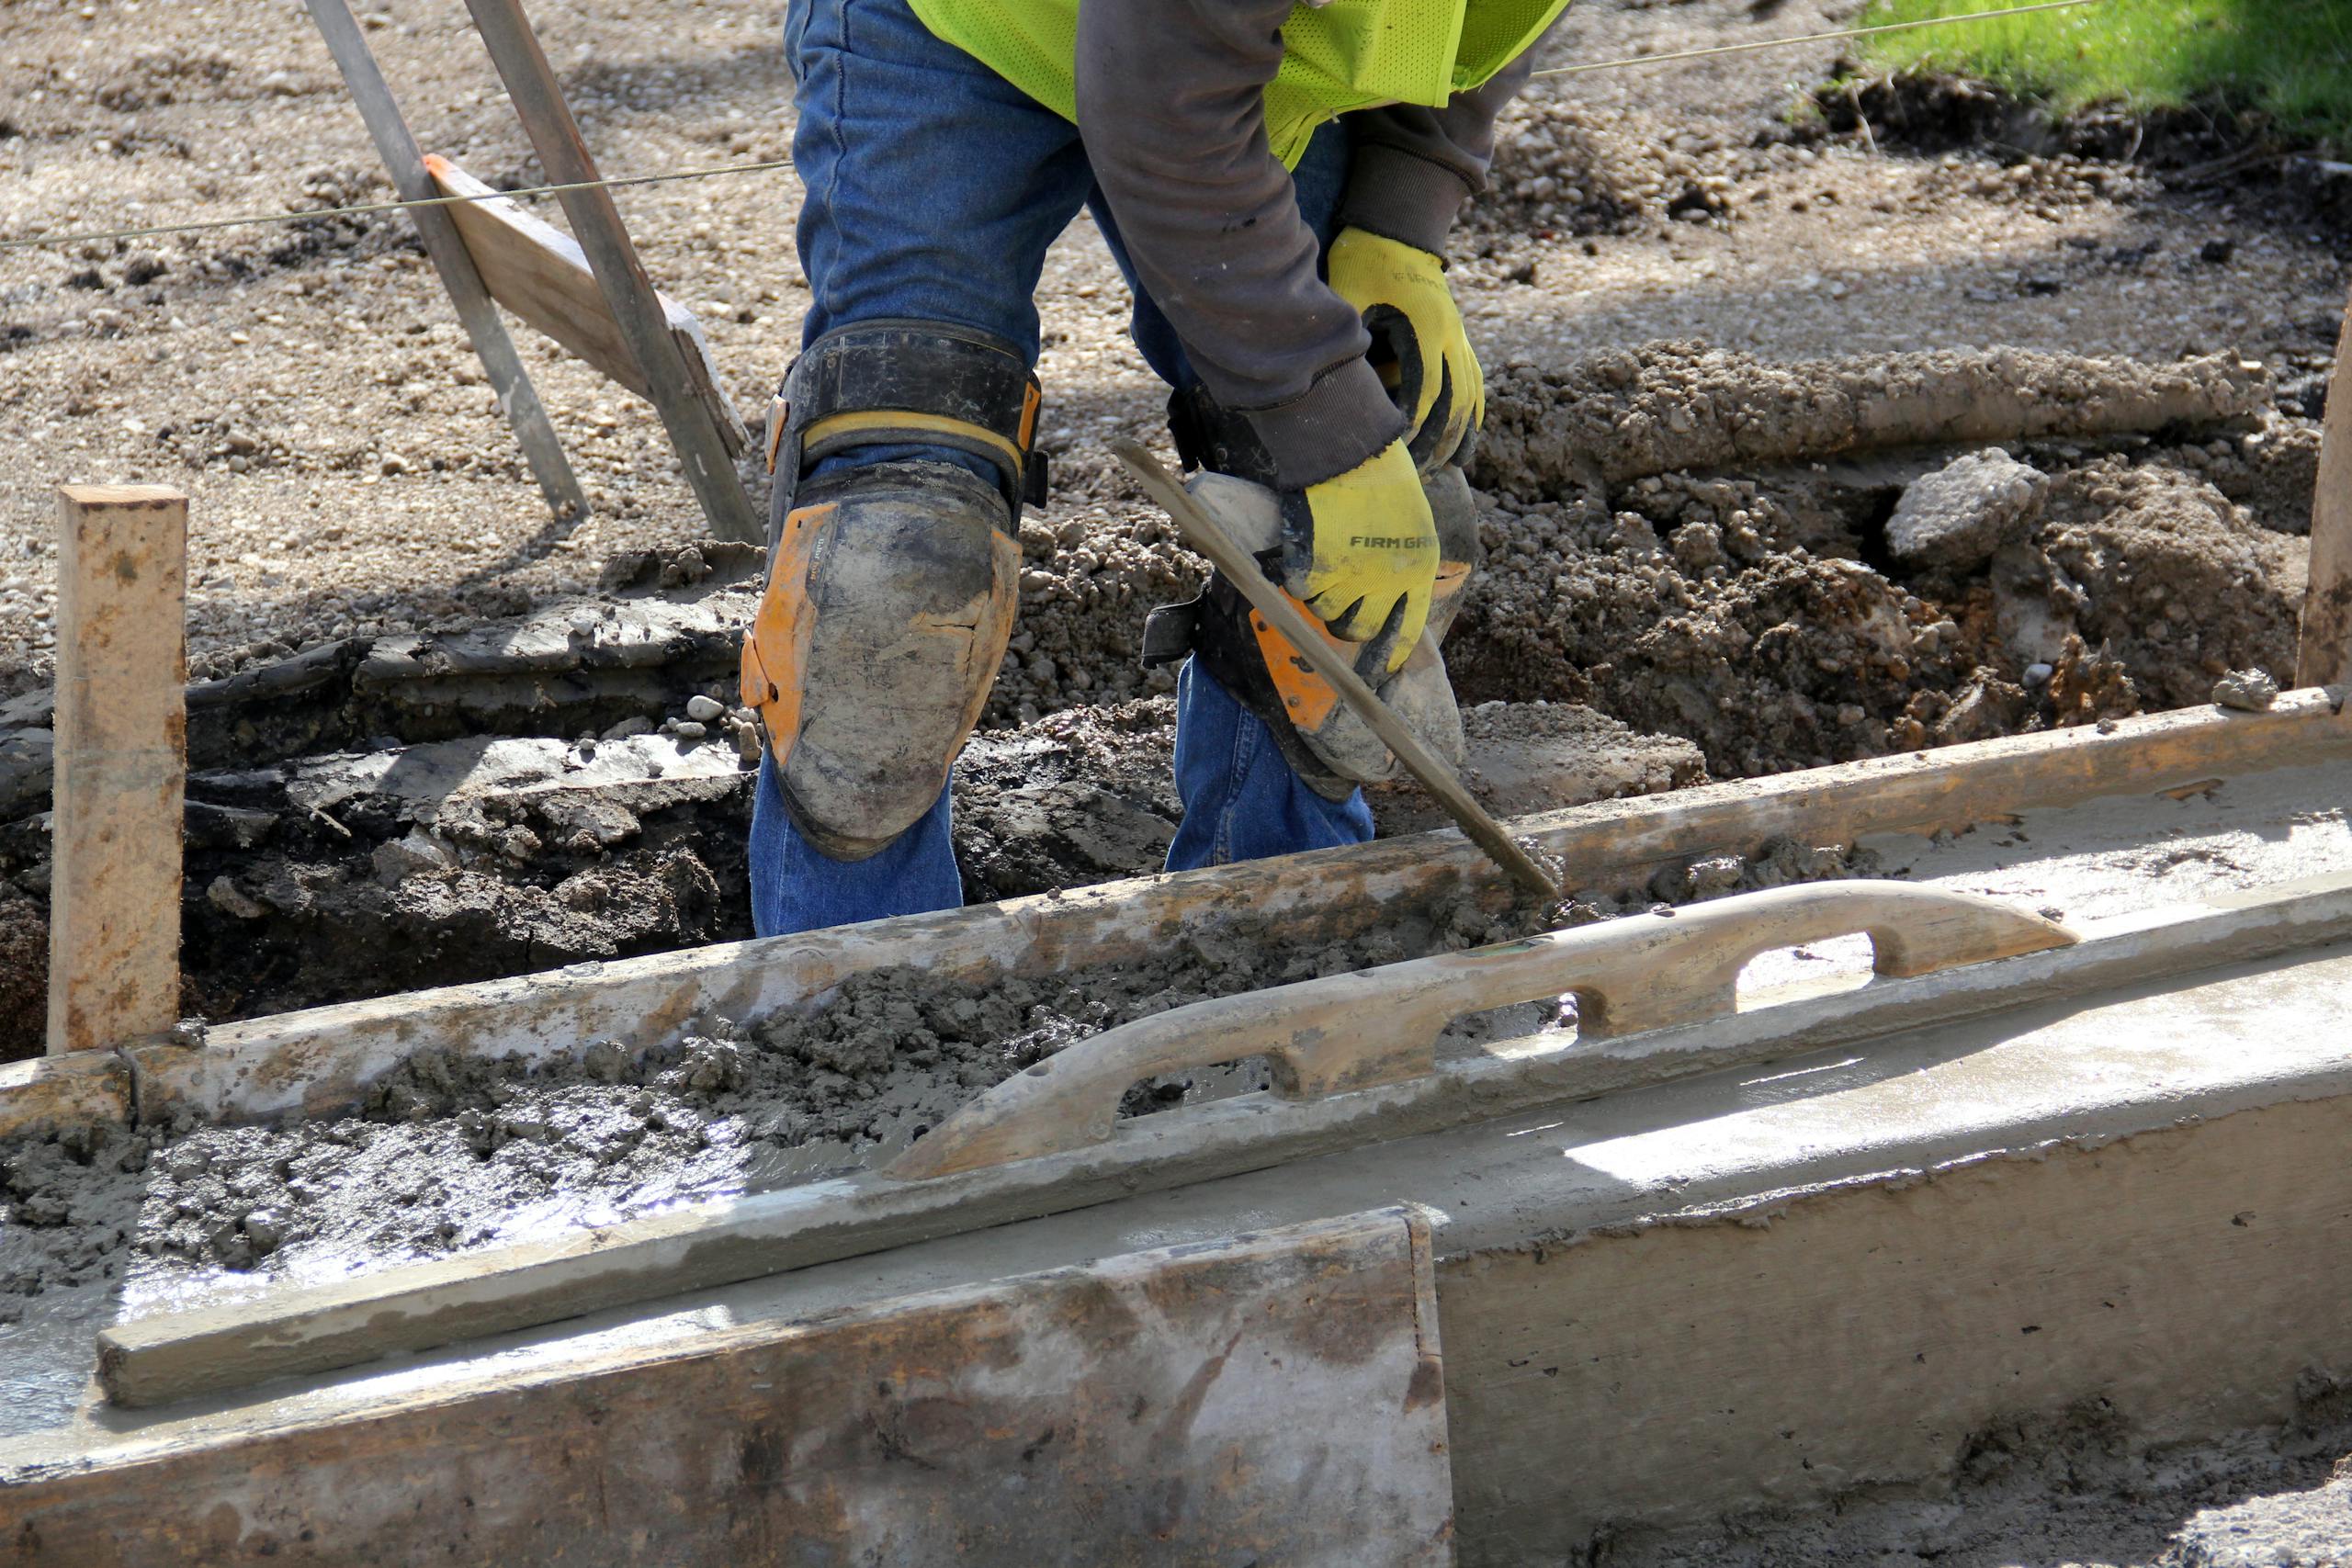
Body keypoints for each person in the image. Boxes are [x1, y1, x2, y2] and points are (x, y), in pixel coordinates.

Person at [742, 0, 1569, 937]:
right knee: (891, 566)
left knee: (1355, 538)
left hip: (1241, 57)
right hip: (958, 26)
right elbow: (1156, 110)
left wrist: (1399, 218)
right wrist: (1320, 420)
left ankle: (1284, 941)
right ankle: (852, 1016)